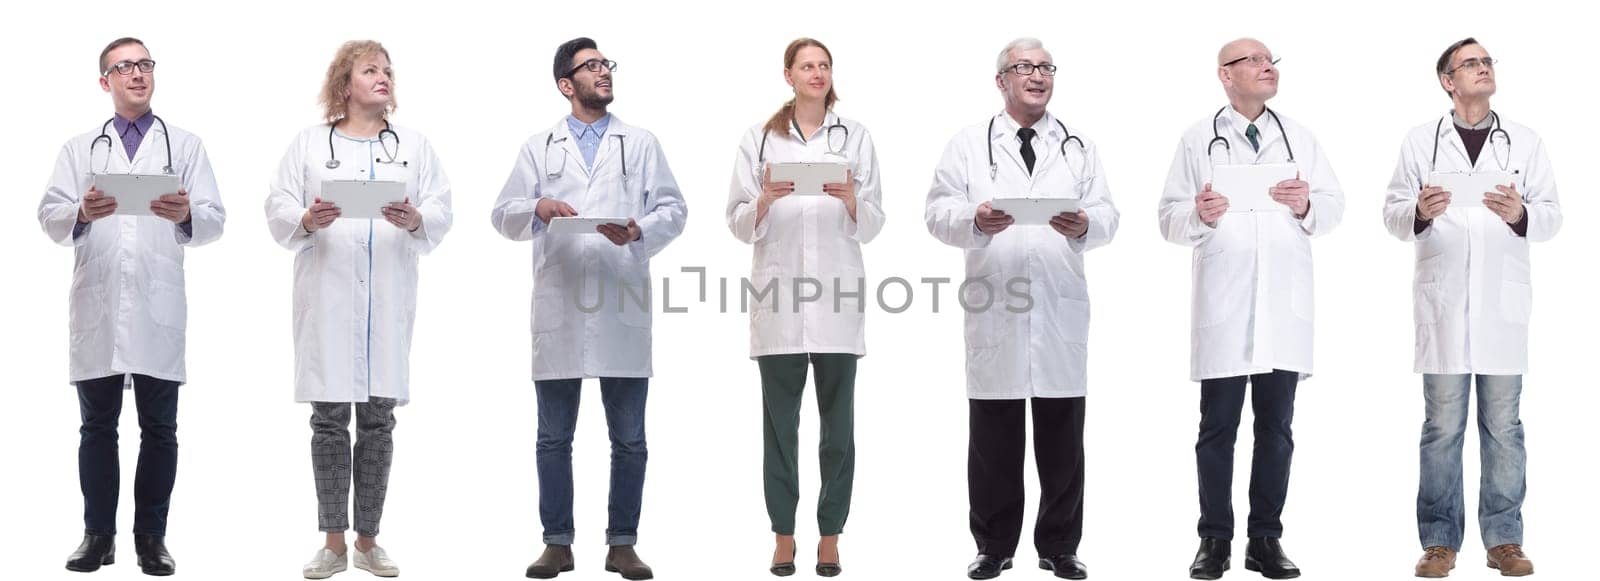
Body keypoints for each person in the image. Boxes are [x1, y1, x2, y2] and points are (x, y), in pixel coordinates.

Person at [492, 37, 686, 581]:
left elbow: (674, 207)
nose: (603, 71)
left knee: (629, 439)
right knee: (553, 438)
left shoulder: (640, 142)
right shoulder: (539, 147)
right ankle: (557, 543)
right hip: (560, 304)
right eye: (591, 66)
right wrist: (540, 206)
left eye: (606, 64)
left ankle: (622, 544)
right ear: (565, 83)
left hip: (620, 299)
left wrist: (639, 228)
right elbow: (503, 213)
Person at [925, 37, 1118, 581]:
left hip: (1059, 309)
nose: (1037, 75)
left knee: (1062, 440)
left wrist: (1087, 226)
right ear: (1001, 80)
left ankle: (1059, 546)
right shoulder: (967, 144)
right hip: (997, 305)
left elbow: (1107, 213)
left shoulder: (1078, 145)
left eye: (1045, 67)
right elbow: (937, 212)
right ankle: (993, 546)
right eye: (1024, 67)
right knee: (993, 439)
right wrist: (973, 220)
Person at [264, 40, 453, 579]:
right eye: (371, 69)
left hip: (387, 300)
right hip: (327, 300)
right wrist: (308, 218)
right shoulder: (308, 145)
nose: (384, 77)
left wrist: (416, 218)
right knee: (327, 423)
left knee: (378, 422)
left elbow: (441, 207)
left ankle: (368, 541)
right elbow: (277, 205)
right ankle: (332, 542)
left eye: (388, 69)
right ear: (345, 85)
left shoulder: (413, 146)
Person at [1157, 37, 1345, 580]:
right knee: (1216, 430)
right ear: (1225, 74)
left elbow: (1334, 206)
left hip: (1282, 309)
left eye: (1271, 61)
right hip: (1226, 305)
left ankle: (1265, 539)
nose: (1268, 67)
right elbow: (1168, 219)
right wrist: (1200, 213)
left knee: (1277, 430)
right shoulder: (1199, 140)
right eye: (1255, 61)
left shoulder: (1299, 137)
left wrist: (1306, 203)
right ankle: (1214, 540)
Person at [39, 36, 226, 577]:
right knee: (96, 429)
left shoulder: (184, 146)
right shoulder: (80, 149)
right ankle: (98, 536)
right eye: (124, 67)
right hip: (98, 302)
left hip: (156, 303)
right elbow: (50, 215)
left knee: (160, 429)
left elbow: (214, 218)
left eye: (145, 64)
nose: (137, 74)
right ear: (106, 82)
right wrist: (81, 211)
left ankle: (151, 538)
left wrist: (187, 213)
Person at [1382, 37, 1560, 579]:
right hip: (1443, 307)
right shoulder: (1420, 142)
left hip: (1502, 309)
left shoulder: (1524, 142)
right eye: (1470, 63)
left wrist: (1521, 213)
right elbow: (1391, 214)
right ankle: (1439, 543)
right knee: (1441, 428)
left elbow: (1553, 216)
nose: (1483, 68)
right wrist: (1418, 210)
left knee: (1504, 427)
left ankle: (1505, 539)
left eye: (1486, 61)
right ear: (1448, 81)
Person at [725, 37, 885, 579]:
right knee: (780, 432)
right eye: (807, 65)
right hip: (780, 303)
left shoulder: (855, 137)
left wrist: (850, 201)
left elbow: (877, 221)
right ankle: (783, 536)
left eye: (824, 65)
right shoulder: (759, 139)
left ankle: (831, 537)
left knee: (838, 431)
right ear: (788, 75)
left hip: (838, 301)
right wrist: (766, 200)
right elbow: (737, 219)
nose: (817, 73)